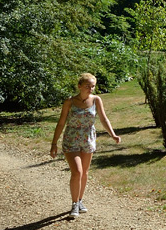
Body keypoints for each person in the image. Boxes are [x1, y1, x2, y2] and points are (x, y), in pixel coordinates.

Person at [50, 73, 121, 218]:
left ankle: (80, 201)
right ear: (79, 86)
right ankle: (74, 204)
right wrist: (54, 143)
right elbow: (61, 122)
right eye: (88, 86)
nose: (91, 89)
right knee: (77, 172)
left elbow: (103, 118)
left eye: (93, 86)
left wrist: (112, 134)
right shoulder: (69, 102)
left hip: (88, 139)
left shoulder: (96, 100)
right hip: (71, 139)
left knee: (85, 173)